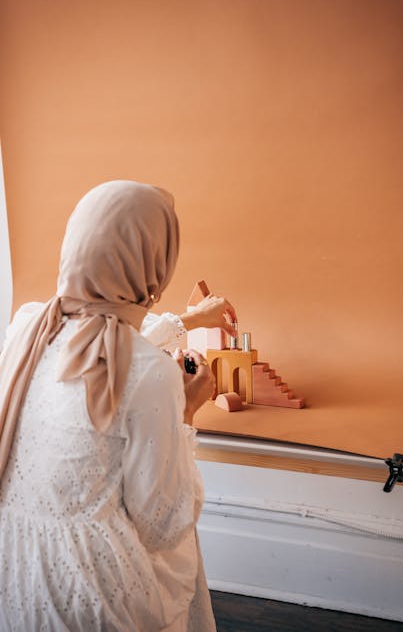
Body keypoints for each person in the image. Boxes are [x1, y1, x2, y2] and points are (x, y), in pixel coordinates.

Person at [0, 180, 235, 631]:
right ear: (156, 262)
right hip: (93, 593)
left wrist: (188, 320)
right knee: (179, 556)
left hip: (14, 579)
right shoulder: (151, 372)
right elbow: (164, 524)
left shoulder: (28, 328)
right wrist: (186, 412)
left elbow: (106, 340)